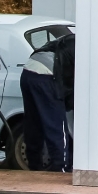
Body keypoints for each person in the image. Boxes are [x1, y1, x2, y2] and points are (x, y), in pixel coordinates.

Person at [20, 33, 76, 172]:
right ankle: (61, 170)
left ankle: (34, 166)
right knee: (57, 126)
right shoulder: (85, 48)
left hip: (28, 71)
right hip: (47, 75)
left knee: (34, 123)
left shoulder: (69, 39)